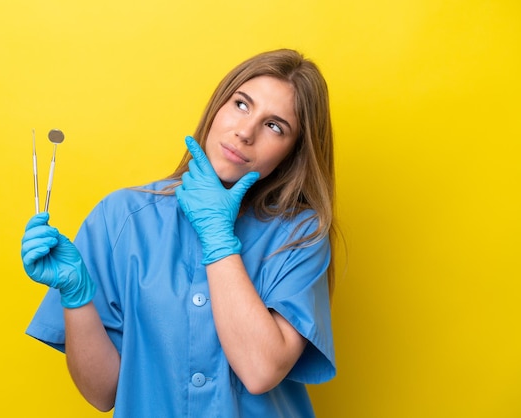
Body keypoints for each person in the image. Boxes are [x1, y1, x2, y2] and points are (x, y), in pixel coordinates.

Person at [21, 48, 337, 417]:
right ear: (217, 106)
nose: (245, 132)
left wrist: (217, 236)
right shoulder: (122, 217)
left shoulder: (300, 235)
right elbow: (102, 392)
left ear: (293, 152)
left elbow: (260, 370)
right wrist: (76, 298)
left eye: (274, 126)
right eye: (240, 104)